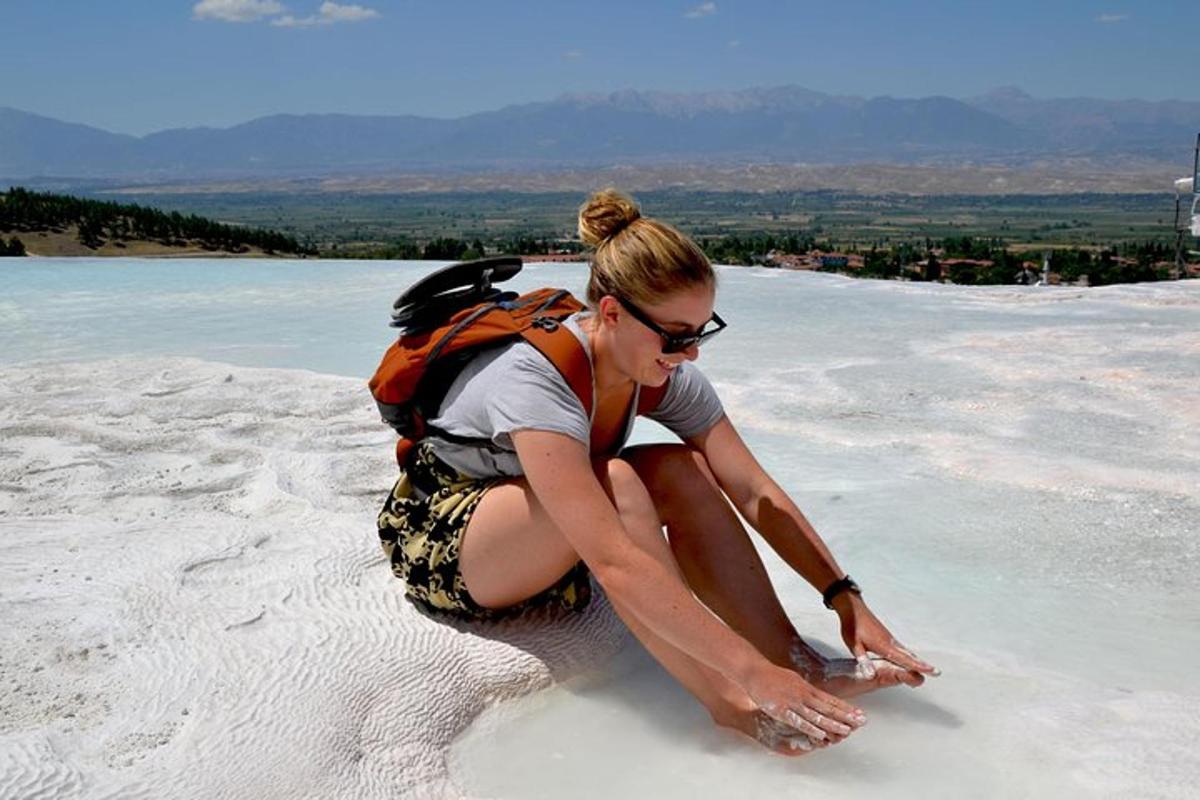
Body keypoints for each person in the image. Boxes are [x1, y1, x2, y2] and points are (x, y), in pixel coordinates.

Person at [377, 188, 939, 755]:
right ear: (614, 313)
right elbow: (613, 560)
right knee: (618, 482)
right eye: (676, 335)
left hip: (546, 535)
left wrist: (846, 599)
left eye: (701, 331)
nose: (691, 352)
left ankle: (795, 659)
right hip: (448, 542)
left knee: (681, 466)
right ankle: (730, 704)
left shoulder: (660, 366)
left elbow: (753, 489)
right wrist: (746, 674)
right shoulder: (534, 379)